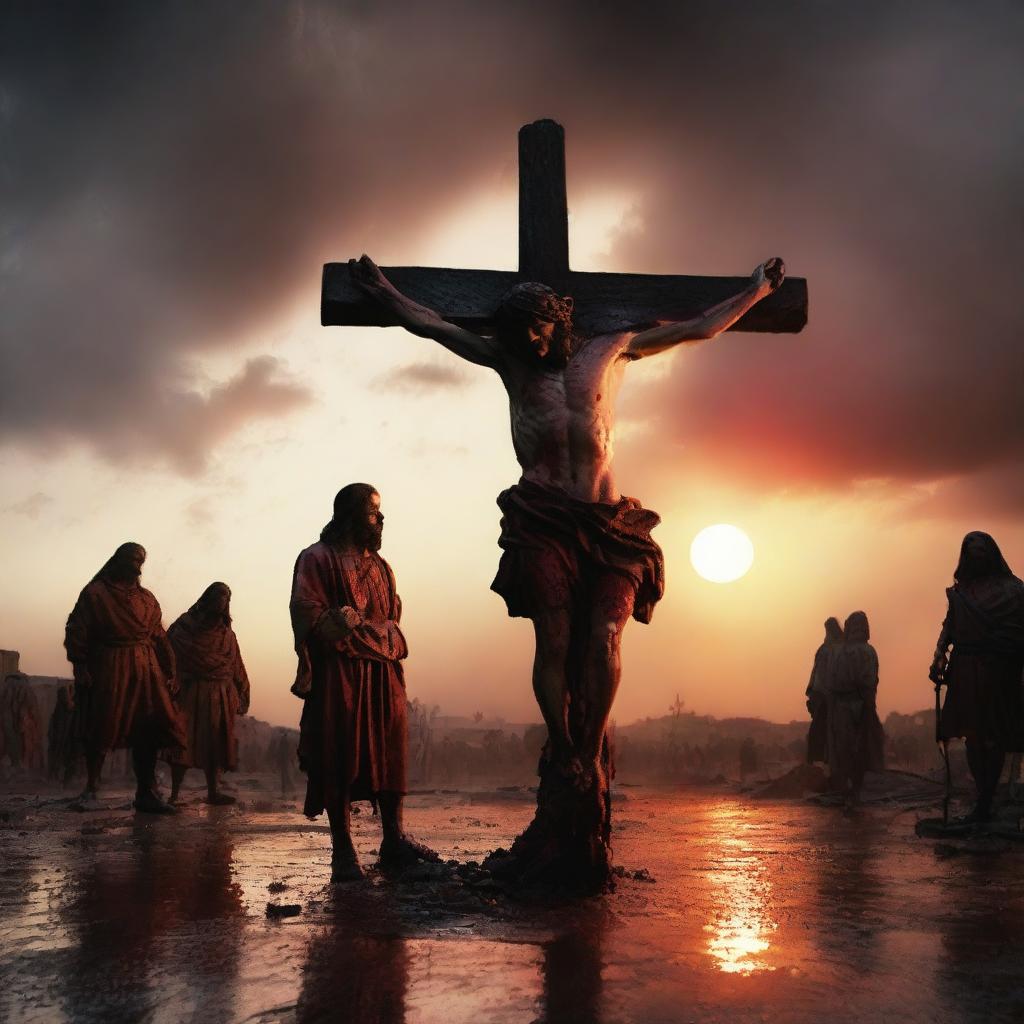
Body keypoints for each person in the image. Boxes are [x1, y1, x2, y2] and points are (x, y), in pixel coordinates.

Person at [349, 255, 785, 794]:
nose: (531, 339)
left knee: (605, 633)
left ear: (559, 319)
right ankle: (562, 743)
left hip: (609, 521)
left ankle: (590, 745)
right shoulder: (511, 363)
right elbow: (434, 325)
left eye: (538, 327)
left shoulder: (614, 349)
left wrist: (757, 291)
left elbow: (699, 327)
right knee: (552, 637)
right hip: (543, 518)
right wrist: (384, 292)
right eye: (521, 331)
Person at [290, 484, 438, 881]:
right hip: (342, 673)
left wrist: (379, 633)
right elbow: (306, 609)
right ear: (350, 516)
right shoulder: (317, 558)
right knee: (340, 753)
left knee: (391, 751)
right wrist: (332, 622)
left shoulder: (382, 566)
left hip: (384, 671)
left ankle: (394, 838)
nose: (381, 519)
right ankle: (343, 851)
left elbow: (392, 613)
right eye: (374, 513)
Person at [64, 542, 185, 812]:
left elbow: (159, 636)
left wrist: (171, 669)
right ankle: (91, 789)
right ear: (117, 560)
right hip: (110, 665)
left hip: (147, 670)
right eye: (131, 559)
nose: (135, 565)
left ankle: (146, 791)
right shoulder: (96, 593)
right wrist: (81, 666)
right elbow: (77, 629)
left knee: (149, 728)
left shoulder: (147, 599)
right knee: (102, 725)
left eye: (140, 560)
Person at [930, 532, 1024, 824]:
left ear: (991, 552)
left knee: (993, 736)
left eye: (981, 550)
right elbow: (950, 626)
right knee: (972, 737)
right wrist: (939, 654)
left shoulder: (1013, 590)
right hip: (965, 668)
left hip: (998, 670)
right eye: (970, 551)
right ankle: (983, 800)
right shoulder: (962, 591)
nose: (976, 555)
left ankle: (986, 802)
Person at [165, 583, 250, 805]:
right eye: (218, 596)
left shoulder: (227, 634)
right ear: (207, 598)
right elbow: (166, 653)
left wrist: (243, 692)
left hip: (220, 694)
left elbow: (236, 665)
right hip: (190, 691)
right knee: (182, 742)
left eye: (226, 598)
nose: (221, 601)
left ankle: (213, 792)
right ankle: (174, 794)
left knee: (216, 744)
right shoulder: (184, 627)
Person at [826, 611, 885, 810]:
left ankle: (854, 791)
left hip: (855, 705)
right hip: (849, 705)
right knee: (850, 750)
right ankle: (851, 790)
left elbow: (868, 681)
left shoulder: (858, 651)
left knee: (856, 749)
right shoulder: (858, 651)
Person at [806, 617, 844, 764]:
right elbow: (817, 672)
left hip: (831, 695)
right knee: (820, 731)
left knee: (826, 731)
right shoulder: (826, 648)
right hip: (822, 695)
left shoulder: (837, 648)